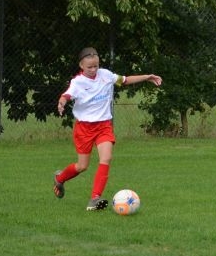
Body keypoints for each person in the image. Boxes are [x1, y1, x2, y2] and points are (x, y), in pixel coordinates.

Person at [52, 47, 162, 210]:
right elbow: (66, 95)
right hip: (84, 128)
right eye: (89, 67)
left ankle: (95, 199)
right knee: (82, 166)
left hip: (104, 126)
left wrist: (147, 77)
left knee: (106, 158)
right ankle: (60, 179)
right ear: (81, 65)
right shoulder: (78, 82)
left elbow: (125, 80)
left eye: (96, 66)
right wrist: (61, 103)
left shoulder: (106, 75)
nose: (93, 69)